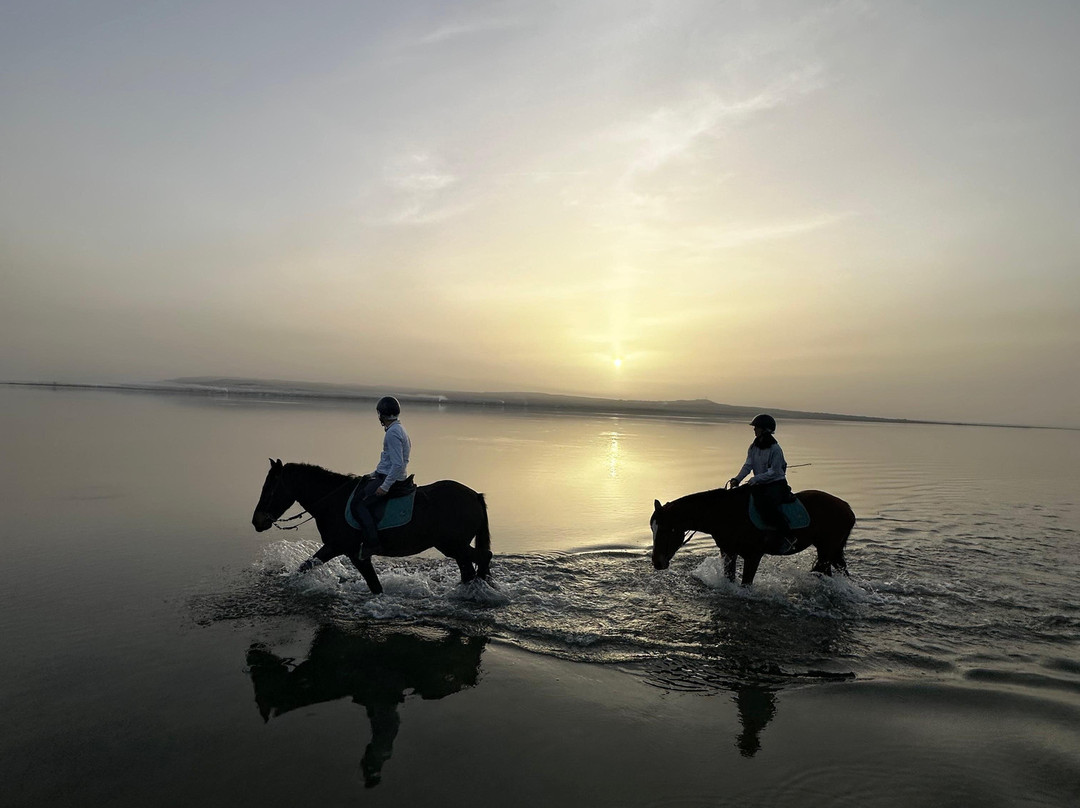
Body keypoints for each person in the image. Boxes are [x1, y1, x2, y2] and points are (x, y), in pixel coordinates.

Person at [354, 396, 412, 559]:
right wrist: (372, 474)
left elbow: (398, 464)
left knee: (359, 504)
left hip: (391, 479)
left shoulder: (392, 433)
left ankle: (372, 543)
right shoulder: (399, 429)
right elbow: (387, 460)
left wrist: (385, 486)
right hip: (385, 474)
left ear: (381, 415)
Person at [728, 414, 794, 541]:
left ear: (765, 430)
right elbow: (748, 465)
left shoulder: (776, 449)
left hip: (776, 484)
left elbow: (774, 472)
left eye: (756, 427)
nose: (754, 430)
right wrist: (737, 479)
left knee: (766, 505)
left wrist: (756, 479)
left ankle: (787, 536)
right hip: (760, 484)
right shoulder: (753, 447)